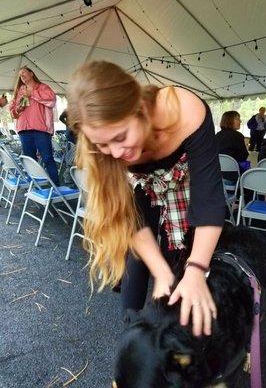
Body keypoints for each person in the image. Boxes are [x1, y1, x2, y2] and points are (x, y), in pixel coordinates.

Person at [67, 61, 226, 337]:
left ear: (139, 109)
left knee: (186, 265)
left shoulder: (183, 110)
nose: (115, 153)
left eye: (120, 137)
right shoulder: (103, 151)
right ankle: (131, 334)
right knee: (139, 260)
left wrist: (197, 269)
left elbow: (209, 199)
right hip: (138, 190)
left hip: (183, 187)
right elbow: (126, 216)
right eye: (103, 145)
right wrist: (160, 272)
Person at [9, 66, 59, 185]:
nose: (22, 76)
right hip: (24, 130)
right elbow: (12, 110)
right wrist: (18, 109)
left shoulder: (42, 87)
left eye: (24, 73)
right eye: (20, 75)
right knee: (30, 160)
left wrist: (32, 92)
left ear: (31, 73)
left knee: (47, 158)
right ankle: (36, 186)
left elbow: (52, 100)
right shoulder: (19, 91)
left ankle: (56, 186)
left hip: (40, 130)